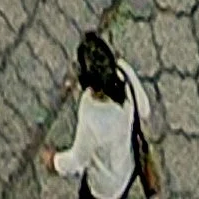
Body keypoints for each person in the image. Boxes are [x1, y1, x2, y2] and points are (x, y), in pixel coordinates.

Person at [44, 28, 159, 196]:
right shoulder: (123, 71)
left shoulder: (90, 114)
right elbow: (144, 110)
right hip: (129, 167)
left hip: (104, 189)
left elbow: (77, 160)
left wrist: (53, 161)